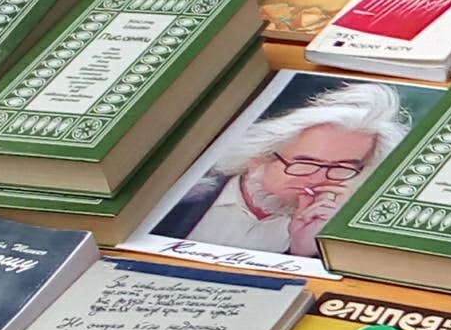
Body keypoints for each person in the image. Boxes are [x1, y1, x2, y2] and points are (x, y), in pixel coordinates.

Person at [148, 80, 413, 260]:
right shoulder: (179, 198)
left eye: (343, 168)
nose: (319, 179)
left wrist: (306, 252)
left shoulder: (339, 240)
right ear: (258, 157)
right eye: (305, 163)